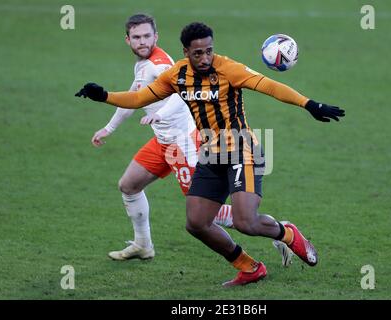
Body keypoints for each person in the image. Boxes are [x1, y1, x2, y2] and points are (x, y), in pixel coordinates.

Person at [76, 22, 345, 286]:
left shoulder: (229, 69)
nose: (205, 58)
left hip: (242, 149)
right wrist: (103, 95)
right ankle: (249, 267)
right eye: (198, 53)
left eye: (209, 51)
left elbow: (269, 86)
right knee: (196, 223)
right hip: (211, 154)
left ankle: (288, 234)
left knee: (245, 222)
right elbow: (138, 99)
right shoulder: (177, 75)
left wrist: (309, 104)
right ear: (185, 52)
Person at [87, 15, 293, 266]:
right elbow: (135, 96)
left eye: (147, 36)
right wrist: (109, 128)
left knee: (205, 216)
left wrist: (159, 114)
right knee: (129, 185)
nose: (142, 42)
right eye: (137, 37)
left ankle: (276, 230)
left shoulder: (160, 65)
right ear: (127, 39)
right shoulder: (143, 64)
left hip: (183, 143)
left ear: (156, 37)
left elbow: (180, 93)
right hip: (161, 142)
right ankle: (143, 245)